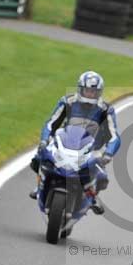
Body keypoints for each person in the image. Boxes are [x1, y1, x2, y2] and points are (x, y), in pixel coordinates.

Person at [29, 71, 121, 213]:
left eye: (94, 92)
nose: (90, 94)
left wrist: (108, 154)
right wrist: (44, 140)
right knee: (39, 158)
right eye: (88, 91)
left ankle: (92, 195)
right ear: (80, 89)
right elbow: (51, 123)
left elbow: (115, 136)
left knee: (102, 177)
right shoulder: (67, 102)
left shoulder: (106, 110)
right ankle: (40, 184)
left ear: (99, 93)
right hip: (67, 141)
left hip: (92, 148)